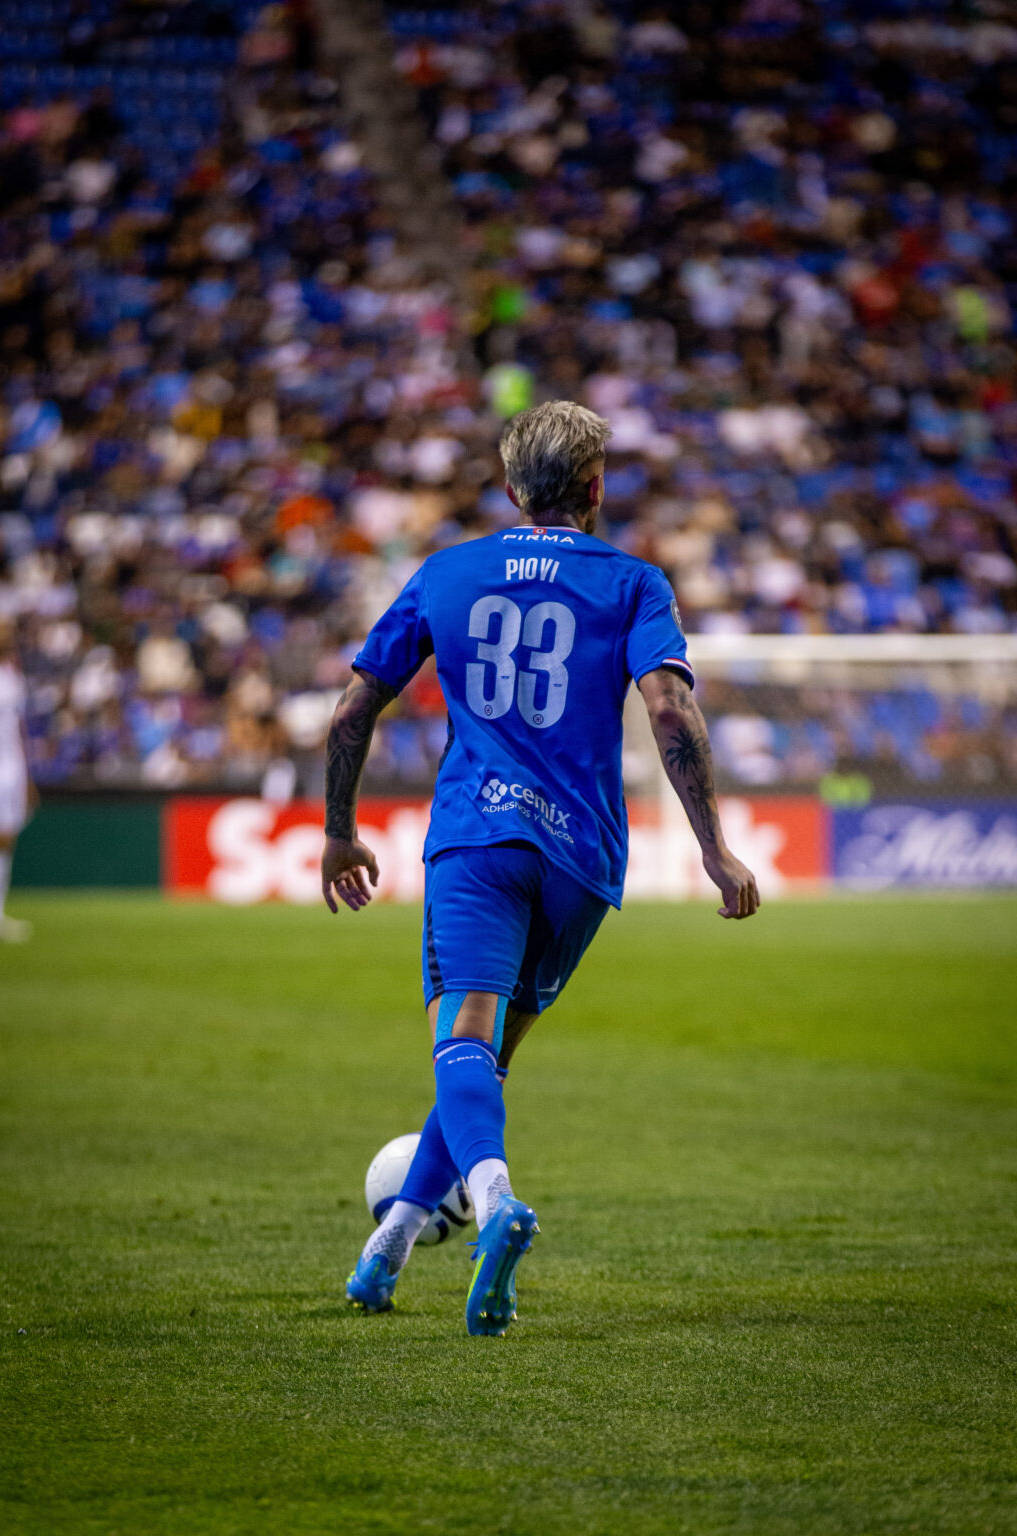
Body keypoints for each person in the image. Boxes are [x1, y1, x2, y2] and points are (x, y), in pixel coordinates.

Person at [321, 401, 759, 1337]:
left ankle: (494, 1201)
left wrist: (339, 830)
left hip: (477, 836)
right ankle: (386, 1254)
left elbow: (352, 713)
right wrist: (714, 851)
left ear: (513, 488)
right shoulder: (636, 583)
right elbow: (673, 716)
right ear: (596, 486)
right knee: (487, 1058)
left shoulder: (448, 572)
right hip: (584, 857)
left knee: (463, 1040)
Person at [0, 617, 36, 942]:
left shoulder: (10, 676)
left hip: (9, 770)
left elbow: (16, 730)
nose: (5, 636)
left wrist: (26, 777)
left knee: (4, 839)